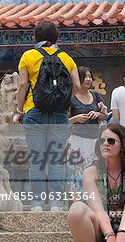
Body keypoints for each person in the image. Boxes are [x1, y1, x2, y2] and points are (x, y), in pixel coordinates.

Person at [14, 21, 80, 212]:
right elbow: (76, 85)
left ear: (36, 37)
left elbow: (22, 85)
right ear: (56, 37)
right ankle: (57, 204)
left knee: (37, 160)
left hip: (34, 112)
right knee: (56, 160)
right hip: (59, 114)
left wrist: (20, 109)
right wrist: (62, 100)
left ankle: (36, 203)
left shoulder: (28, 56)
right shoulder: (66, 58)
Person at [66, 66, 108, 193]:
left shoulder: (96, 96)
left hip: (95, 140)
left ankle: (92, 201)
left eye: (90, 76)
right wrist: (76, 118)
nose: (89, 79)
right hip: (76, 141)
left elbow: (106, 116)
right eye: (85, 77)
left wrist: (98, 114)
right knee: (75, 173)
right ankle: (76, 202)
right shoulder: (70, 98)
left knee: (94, 173)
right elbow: (64, 122)